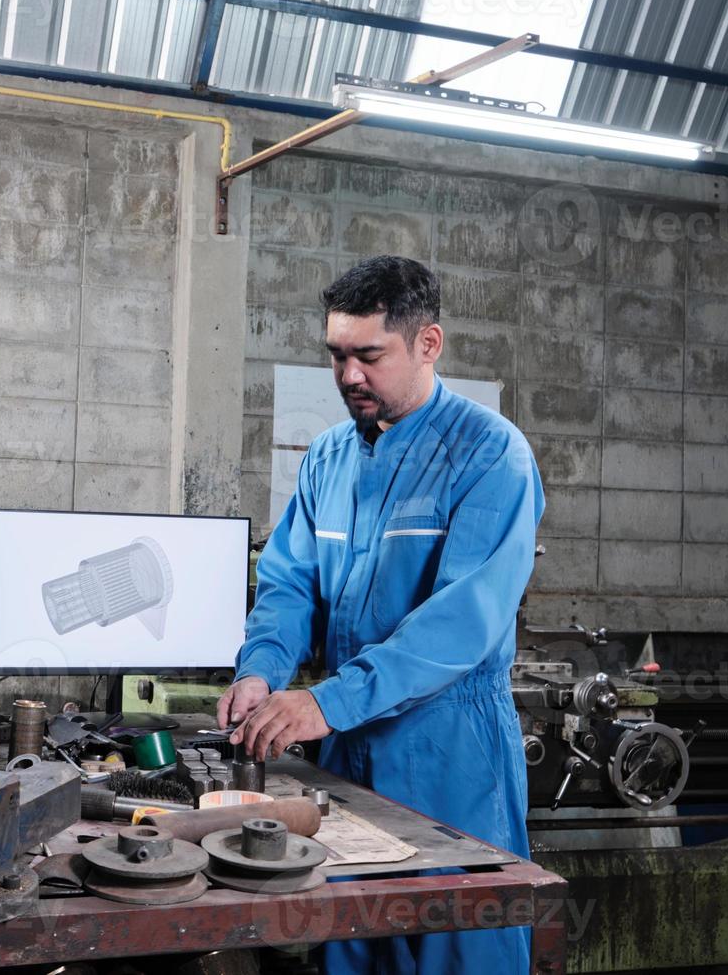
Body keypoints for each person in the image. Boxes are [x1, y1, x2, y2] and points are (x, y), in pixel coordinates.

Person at [218, 255, 544, 974]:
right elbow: (288, 584)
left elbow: (459, 622)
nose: (348, 376)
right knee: (354, 944)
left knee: (458, 945)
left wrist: (326, 703)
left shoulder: (491, 456)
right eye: (336, 355)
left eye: (369, 355)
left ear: (428, 344)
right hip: (342, 747)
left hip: (447, 751)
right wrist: (260, 673)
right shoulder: (327, 459)